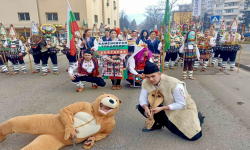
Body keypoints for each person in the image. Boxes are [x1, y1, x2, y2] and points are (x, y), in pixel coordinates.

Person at [137, 60, 204, 141]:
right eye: (147, 77)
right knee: (141, 107)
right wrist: (146, 108)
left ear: (159, 74)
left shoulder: (174, 83)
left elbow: (181, 103)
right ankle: (157, 123)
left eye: (153, 76)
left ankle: (197, 117)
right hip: (161, 106)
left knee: (194, 136)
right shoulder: (145, 82)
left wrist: (161, 108)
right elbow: (142, 97)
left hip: (179, 109)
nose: (150, 79)